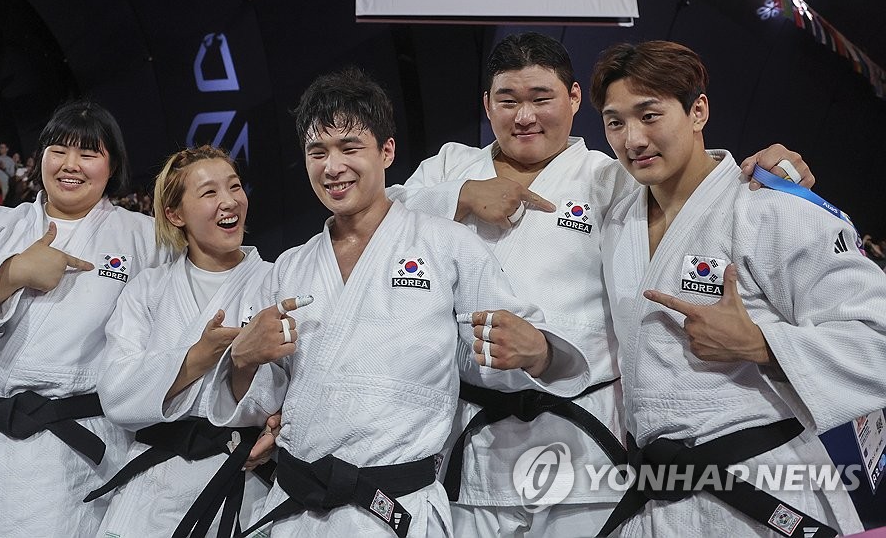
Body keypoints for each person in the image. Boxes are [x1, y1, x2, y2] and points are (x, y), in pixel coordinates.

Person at [390, 32, 813, 537]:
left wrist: (773, 166)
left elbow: (694, 184)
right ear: (486, 105)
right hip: (471, 446)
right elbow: (372, 225)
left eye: (541, 99)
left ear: (572, 100)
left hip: (585, 442)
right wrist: (458, 196)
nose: (524, 116)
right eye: (508, 101)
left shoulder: (611, 178)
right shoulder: (448, 168)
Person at [209, 67, 590, 537]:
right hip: (295, 508)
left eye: (350, 147)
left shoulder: (448, 245)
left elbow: (508, 349)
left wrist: (543, 353)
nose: (332, 167)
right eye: (317, 151)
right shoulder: (289, 266)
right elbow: (261, 403)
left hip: (394, 508)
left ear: (387, 150)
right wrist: (243, 360)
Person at [591, 41, 886, 537]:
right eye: (615, 122)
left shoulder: (770, 207)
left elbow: (878, 337)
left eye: (650, 115)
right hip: (657, 498)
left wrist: (761, 345)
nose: (633, 139)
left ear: (698, 110)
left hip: (762, 484)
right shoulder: (618, 219)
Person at [0, 99, 167, 537]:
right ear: (40, 155)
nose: (71, 165)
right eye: (58, 149)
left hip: (71, 452)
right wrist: (11, 272)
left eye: (88, 153)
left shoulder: (145, 239)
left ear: (112, 164)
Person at [93, 146, 274, 538]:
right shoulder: (148, 288)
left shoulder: (277, 281)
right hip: (151, 486)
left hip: (239, 483)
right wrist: (198, 357)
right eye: (209, 193)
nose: (229, 202)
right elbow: (116, 393)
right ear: (175, 214)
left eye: (235, 187)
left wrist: (251, 382)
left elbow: (292, 390)